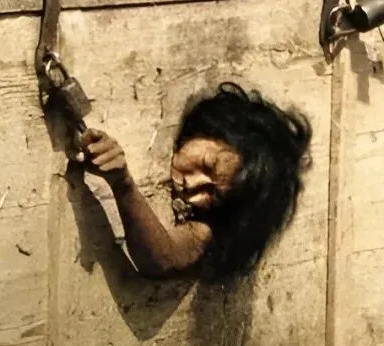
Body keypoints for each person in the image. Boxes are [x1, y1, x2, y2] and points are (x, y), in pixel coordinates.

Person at [79, 82, 312, 281]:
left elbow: (164, 260)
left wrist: (123, 184)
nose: (192, 185)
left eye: (211, 194)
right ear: (205, 129)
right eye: (206, 164)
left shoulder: (211, 224)